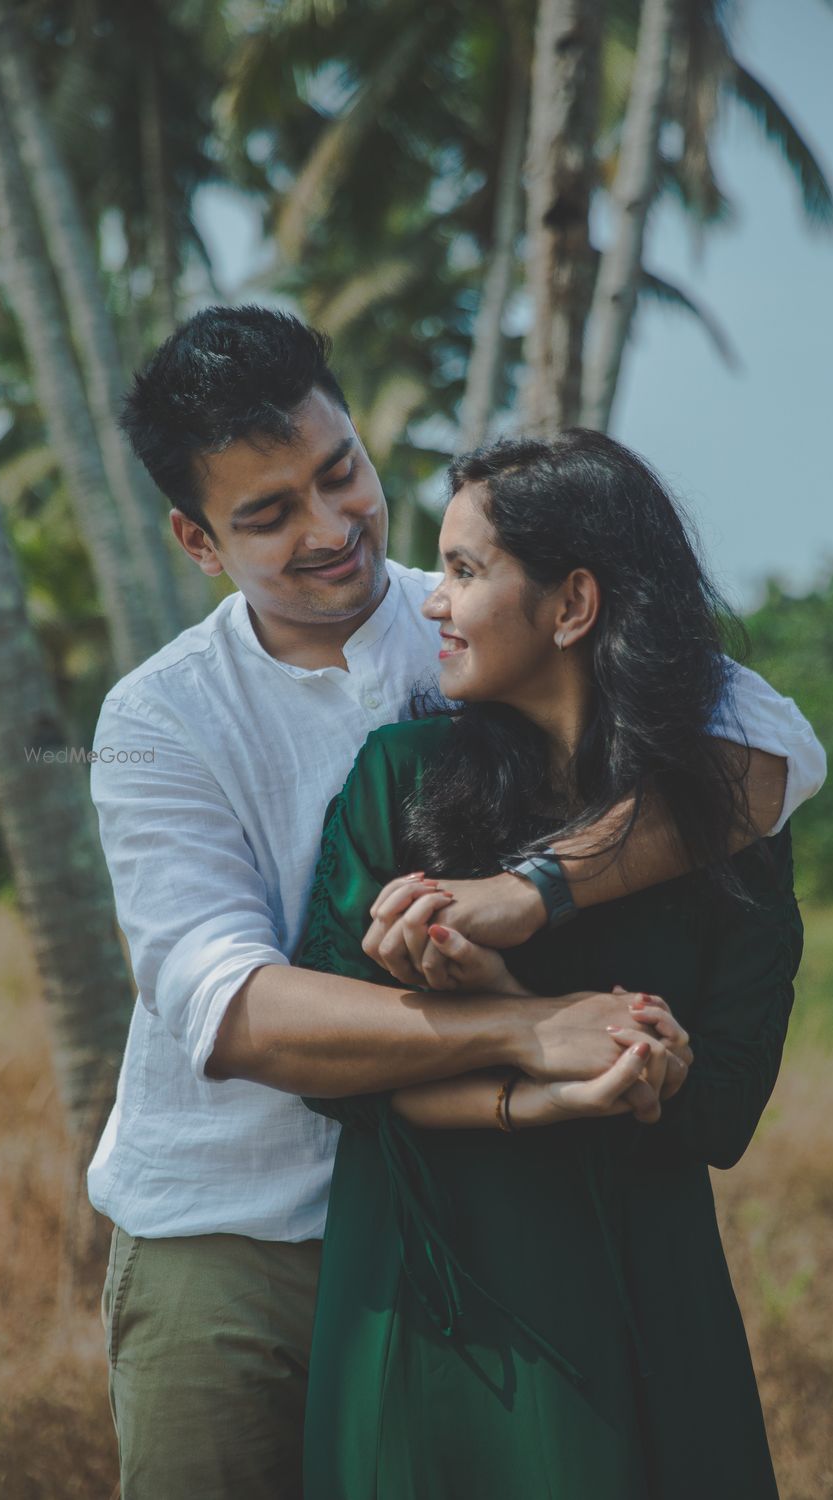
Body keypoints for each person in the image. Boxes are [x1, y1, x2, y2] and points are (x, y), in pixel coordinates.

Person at [90, 305, 824, 1500]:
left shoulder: (484, 611)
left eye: (342, 476)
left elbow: (773, 750)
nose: (332, 530)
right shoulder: (155, 720)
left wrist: (531, 893)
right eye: (269, 514)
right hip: (229, 1242)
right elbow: (229, 1012)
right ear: (197, 538)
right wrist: (532, 1026)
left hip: (486, 1214)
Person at [298, 429, 803, 1499]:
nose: (432, 601)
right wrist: (541, 1057)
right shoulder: (399, 780)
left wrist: (637, 1062)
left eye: (468, 572)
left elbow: (721, 1114)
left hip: (647, 1313)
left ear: (573, 606)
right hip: (435, 1316)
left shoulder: (726, 822)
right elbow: (331, 1077)